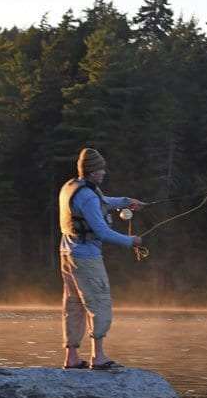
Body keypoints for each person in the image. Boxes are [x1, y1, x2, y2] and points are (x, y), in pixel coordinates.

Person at [59, 147, 145, 369]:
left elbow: (103, 200)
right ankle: (99, 357)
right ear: (91, 171)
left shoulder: (72, 186)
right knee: (99, 302)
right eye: (100, 169)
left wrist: (127, 201)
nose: (104, 173)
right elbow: (102, 231)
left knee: (74, 304)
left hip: (67, 252)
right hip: (86, 256)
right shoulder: (87, 195)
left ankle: (72, 358)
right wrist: (131, 241)